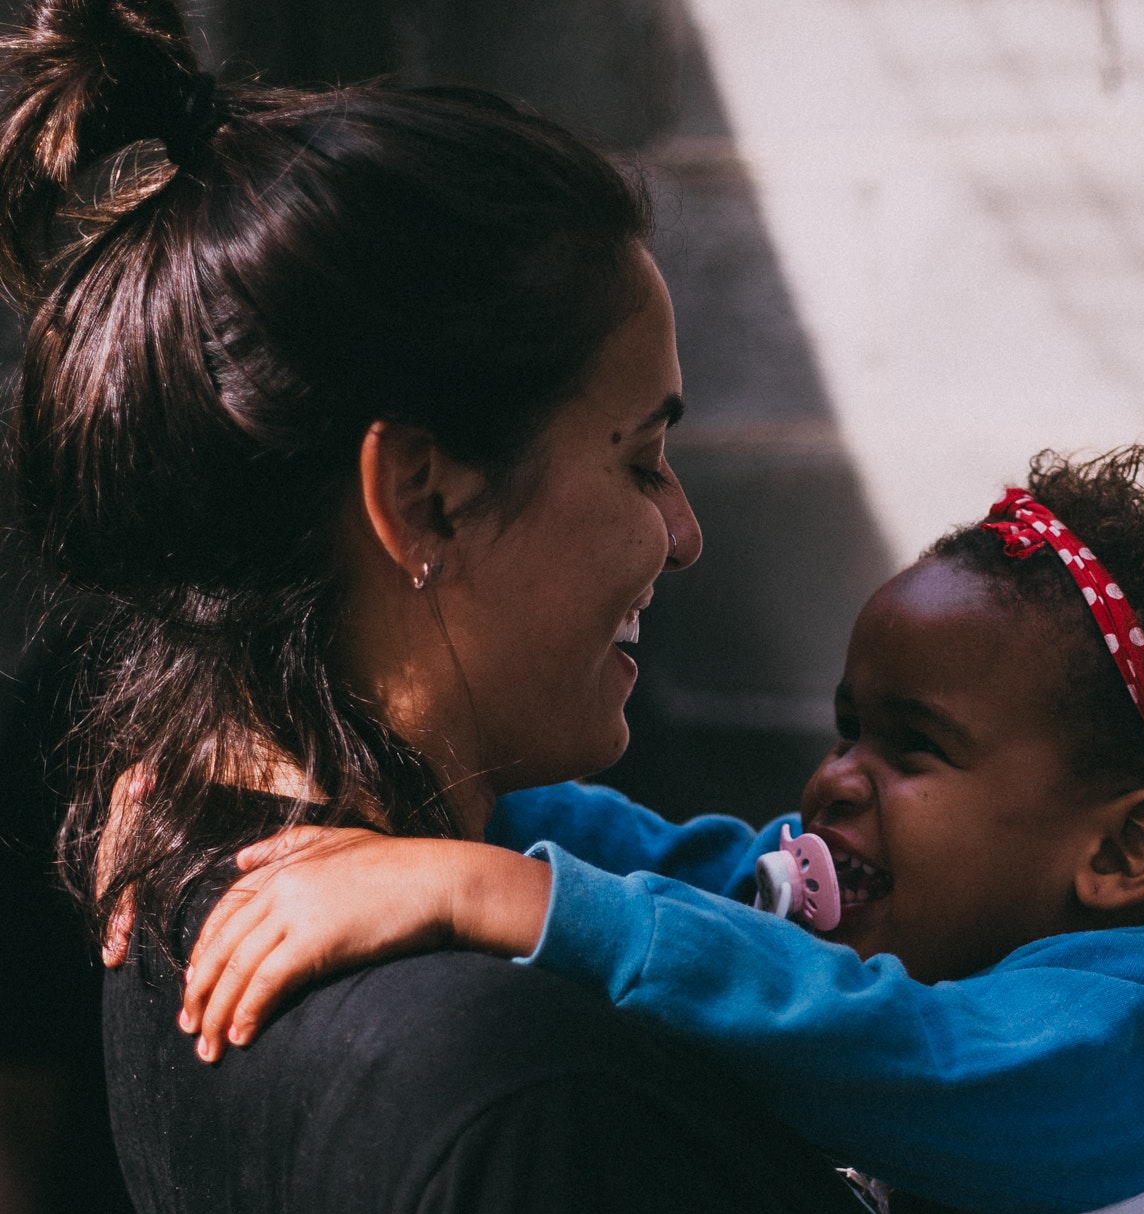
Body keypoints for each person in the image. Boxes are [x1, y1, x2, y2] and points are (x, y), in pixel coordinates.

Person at [0, 0, 865, 1209]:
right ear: (423, 495)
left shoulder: (178, 879)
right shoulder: (519, 1089)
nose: (683, 533)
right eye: (637, 459)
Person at [175, 448, 1144, 1214]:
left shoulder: (1126, 1042)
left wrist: (500, 894)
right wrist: (368, 791)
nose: (836, 781)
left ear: (1121, 852)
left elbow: (904, 1046)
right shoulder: (910, 911)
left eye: (913, 748)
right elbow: (691, 870)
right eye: (846, 729)